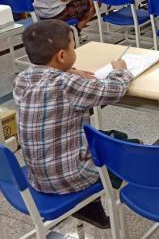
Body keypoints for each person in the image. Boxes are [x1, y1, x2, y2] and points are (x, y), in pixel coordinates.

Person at [13, 20, 132, 227]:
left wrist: (67, 71)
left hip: (38, 177)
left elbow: (48, 81)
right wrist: (120, 70)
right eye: (73, 47)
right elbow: (115, 90)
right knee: (123, 144)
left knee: (103, 136)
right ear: (61, 56)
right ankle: (95, 196)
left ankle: (90, 207)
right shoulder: (67, 84)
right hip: (71, 177)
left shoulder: (22, 79)